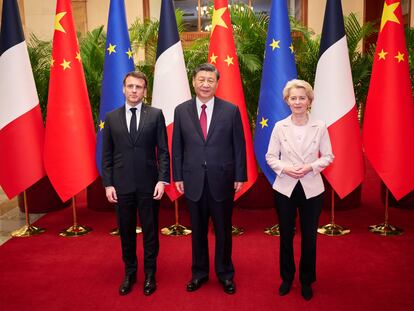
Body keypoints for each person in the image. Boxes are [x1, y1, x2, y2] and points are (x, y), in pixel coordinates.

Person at [172, 63, 247, 295]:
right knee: (198, 231)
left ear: (217, 83)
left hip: (222, 180)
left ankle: (225, 273)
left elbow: (239, 146)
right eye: (201, 80)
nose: (205, 84)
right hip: (193, 180)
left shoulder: (231, 110)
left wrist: (239, 175)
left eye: (210, 80)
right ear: (194, 82)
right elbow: (177, 147)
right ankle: (199, 273)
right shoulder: (181, 110)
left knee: (224, 231)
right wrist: (178, 175)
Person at [101, 71, 170, 296]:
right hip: (121, 187)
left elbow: (164, 152)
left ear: (145, 91)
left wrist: (162, 179)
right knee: (126, 232)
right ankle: (130, 273)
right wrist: (108, 184)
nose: (134, 90)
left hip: (149, 186)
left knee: (150, 232)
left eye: (138, 87)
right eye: (130, 86)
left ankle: (150, 274)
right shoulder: (111, 118)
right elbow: (107, 155)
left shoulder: (156, 115)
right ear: (123, 89)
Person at [265, 79, 334, 301]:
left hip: (312, 188)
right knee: (285, 235)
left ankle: (306, 280)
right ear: (287, 101)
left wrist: (311, 167)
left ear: (309, 100)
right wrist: (286, 168)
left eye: (302, 98)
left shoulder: (320, 126)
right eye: (293, 98)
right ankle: (286, 278)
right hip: (285, 187)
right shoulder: (279, 126)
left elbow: (329, 156)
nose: (297, 102)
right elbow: (270, 157)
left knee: (309, 236)